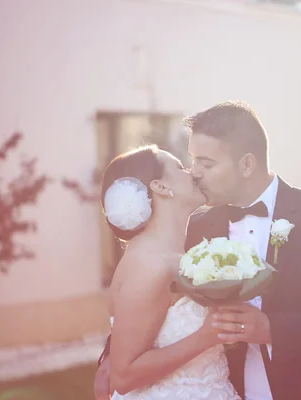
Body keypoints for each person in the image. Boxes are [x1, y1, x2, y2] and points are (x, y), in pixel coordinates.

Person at [95, 101, 301, 400]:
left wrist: (270, 329)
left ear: (246, 164)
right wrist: (110, 357)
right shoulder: (193, 229)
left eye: (207, 163)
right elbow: (146, 309)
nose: (195, 173)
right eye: (192, 160)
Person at [98, 144, 241, 399]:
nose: (193, 173)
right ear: (160, 187)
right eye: (181, 167)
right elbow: (123, 375)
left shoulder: (175, 257)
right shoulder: (150, 264)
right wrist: (207, 336)